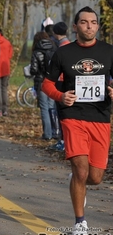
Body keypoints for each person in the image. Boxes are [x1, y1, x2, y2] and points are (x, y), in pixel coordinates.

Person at [42, 6, 113, 235]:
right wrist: (61, 96)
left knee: (95, 177)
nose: (89, 26)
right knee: (82, 171)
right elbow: (47, 84)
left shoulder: (109, 51)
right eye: (84, 22)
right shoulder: (64, 53)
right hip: (72, 117)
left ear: (98, 26)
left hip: (100, 118)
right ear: (75, 26)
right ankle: (80, 222)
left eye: (93, 22)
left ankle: (76, 181)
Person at [30, 32, 56, 139]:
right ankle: (56, 132)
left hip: (42, 82)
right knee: (52, 107)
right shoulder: (54, 48)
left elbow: (34, 70)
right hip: (53, 82)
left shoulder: (37, 51)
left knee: (44, 108)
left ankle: (47, 134)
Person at [50, 21, 71, 152]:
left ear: (55, 33)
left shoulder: (61, 49)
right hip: (69, 82)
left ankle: (64, 141)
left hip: (61, 83)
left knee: (62, 113)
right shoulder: (71, 46)